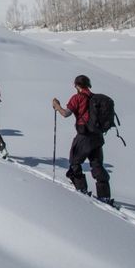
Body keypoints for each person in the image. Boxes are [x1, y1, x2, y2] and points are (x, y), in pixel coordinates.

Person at [52, 74, 113, 205]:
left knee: (74, 161)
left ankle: (81, 189)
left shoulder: (77, 97)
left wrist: (57, 105)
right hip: (97, 137)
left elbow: (65, 114)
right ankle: (104, 195)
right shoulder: (95, 98)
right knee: (97, 164)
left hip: (84, 136)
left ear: (77, 85)